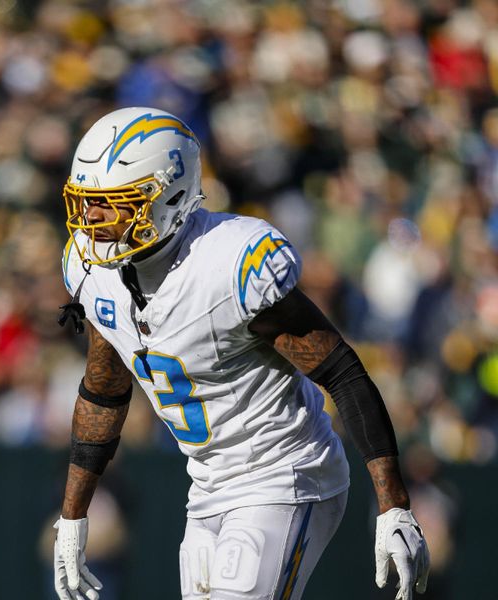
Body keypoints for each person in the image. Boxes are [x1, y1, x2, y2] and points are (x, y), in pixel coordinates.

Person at [53, 107, 430, 600]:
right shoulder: (94, 273)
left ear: (168, 196)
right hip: (206, 487)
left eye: (112, 203)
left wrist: (394, 504)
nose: (92, 221)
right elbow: (104, 391)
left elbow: (341, 371)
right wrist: (73, 515)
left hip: (285, 473)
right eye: (87, 203)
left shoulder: (229, 264)